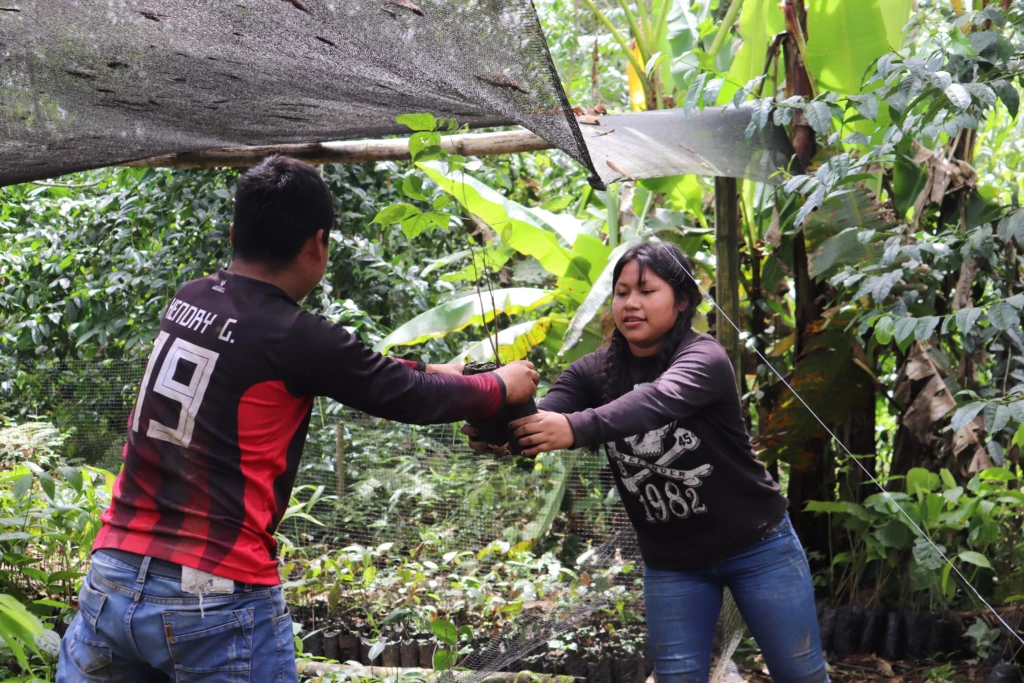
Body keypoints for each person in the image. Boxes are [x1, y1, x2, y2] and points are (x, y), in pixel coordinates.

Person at [56, 155, 540, 683]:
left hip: (114, 574)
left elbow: (358, 369)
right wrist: (500, 386)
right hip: (213, 593)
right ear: (317, 244)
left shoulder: (190, 298)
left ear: (235, 233)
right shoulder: (294, 334)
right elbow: (404, 396)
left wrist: (433, 369)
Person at [468, 242, 828, 683]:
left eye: (646, 290)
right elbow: (544, 420)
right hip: (674, 563)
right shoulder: (592, 372)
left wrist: (576, 427)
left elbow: (657, 400)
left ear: (681, 301)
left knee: (800, 674)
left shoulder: (704, 357)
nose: (631, 303)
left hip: (758, 545)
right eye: (621, 293)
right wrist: (498, 425)